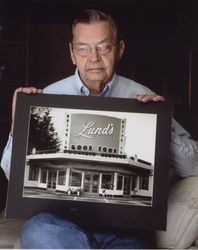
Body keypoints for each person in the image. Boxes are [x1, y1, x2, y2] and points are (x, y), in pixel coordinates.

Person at [1, 9, 198, 249]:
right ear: (72, 53)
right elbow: (12, 175)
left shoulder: (145, 98)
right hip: (57, 223)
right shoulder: (48, 97)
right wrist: (17, 127)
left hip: (124, 228)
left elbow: (193, 167)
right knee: (37, 232)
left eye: (103, 47)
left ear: (119, 49)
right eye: (83, 48)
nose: (93, 57)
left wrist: (162, 126)